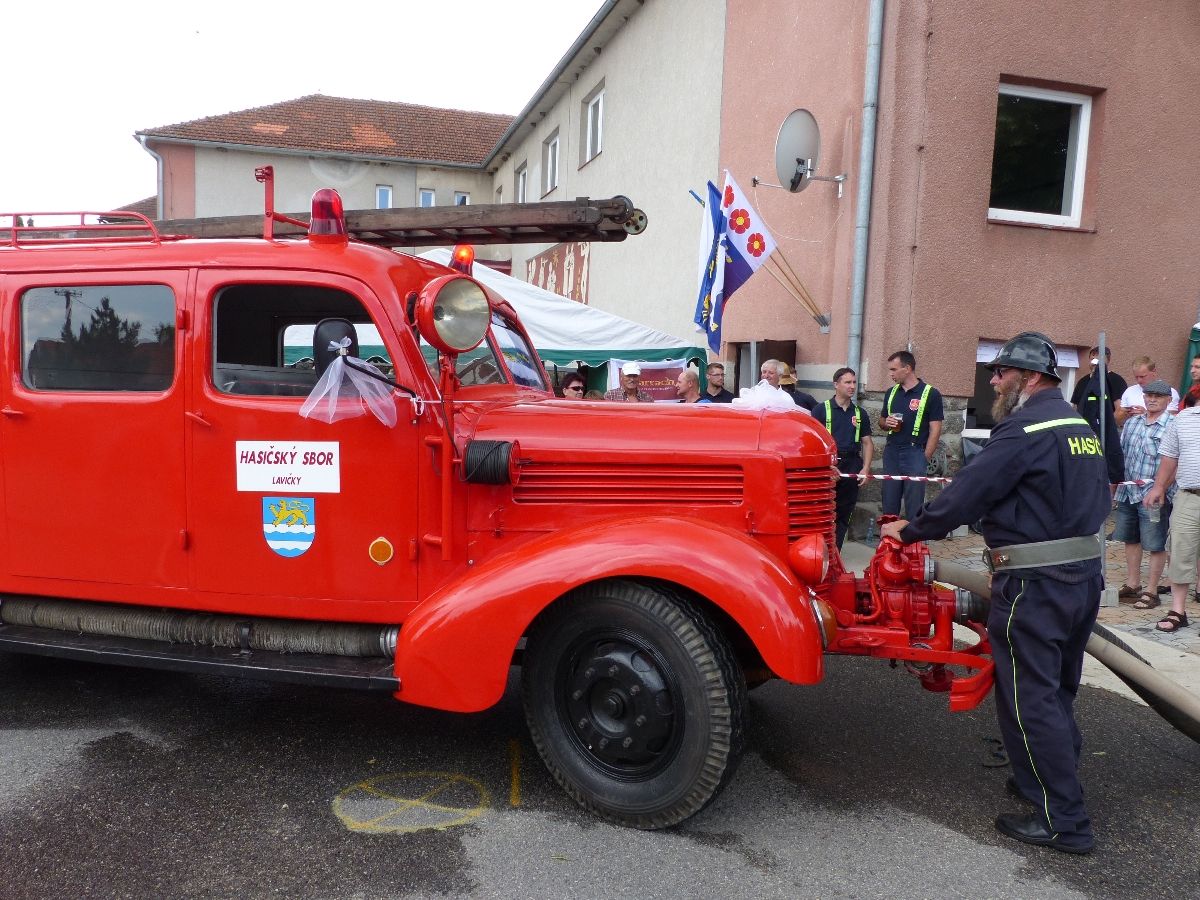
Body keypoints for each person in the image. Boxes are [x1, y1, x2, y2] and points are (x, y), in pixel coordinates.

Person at [881, 331, 1109, 855]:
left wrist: (911, 529)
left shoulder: (1023, 429)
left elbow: (969, 491)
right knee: (1056, 690)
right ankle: (1039, 782)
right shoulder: (1079, 426)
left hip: (1035, 586)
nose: (996, 382)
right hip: (1081, 578)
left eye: (1002, 373)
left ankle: (1066, 823)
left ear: (1029, 377)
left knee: (1030, 699)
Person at [1143, 357, 1200, 633]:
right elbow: (1169, 457)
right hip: (1189, 496)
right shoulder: (1183, 420)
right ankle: (1178, 611)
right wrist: (1158, 487)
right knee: (1181, 552)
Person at [1113, 379, 1175, 609]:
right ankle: (1133, 584)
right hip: (1129, 490)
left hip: (1154, 494)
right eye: (1149, 395)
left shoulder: (1173, 426)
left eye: (1158, 396)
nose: (1152, 399)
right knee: (1130, 538)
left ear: (1168, 400)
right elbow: (1121, 454)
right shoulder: (1132, 423)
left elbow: (1175, 462)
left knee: (1155, 543)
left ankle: (1151, 590)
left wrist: (1162, 488)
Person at [878, 350, 944, 521]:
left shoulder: (931, 393)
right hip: (892, 450)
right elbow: (881, 421)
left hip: (915, 451)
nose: (891, 374)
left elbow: (935, 429)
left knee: (914, 505)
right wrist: (886, 423)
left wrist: (924, 457)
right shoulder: (891, 392)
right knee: (889, 502)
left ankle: (913, 537)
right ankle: (889, 537)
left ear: (907, 368)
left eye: (894, 369)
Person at [820, 367, 873, 548]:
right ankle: (822, 553)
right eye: (847, 382)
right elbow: (813, 442)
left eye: (854, 382)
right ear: (836, 384)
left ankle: (836, 552)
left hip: (852, 465)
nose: (852, 386)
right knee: (823, 512)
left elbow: (867, 443)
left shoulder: (860, 413)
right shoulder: (821, 409)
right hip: (829, 466)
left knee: (844, 514)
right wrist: (825, 466)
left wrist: (865, 468)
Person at [1071, 346, 1125, 485]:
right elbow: (1075, 408)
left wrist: (1107, 428)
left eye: (1099, 358)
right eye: (1092, 357)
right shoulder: (1083, 382)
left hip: (1106, 434)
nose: (1095, 361)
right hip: (1084, 434)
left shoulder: (1115, 380)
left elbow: (1120, 410)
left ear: (1108, 360)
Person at [1116, 355, 1180, 425]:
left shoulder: (1168, 392)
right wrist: (1123, 414)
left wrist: (1145, 414)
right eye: (1136, 377)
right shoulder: (1129, 391)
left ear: (1154, 371)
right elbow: (1118, 421)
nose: (1139, 380)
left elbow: (1171, 421)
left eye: (1142, 376)